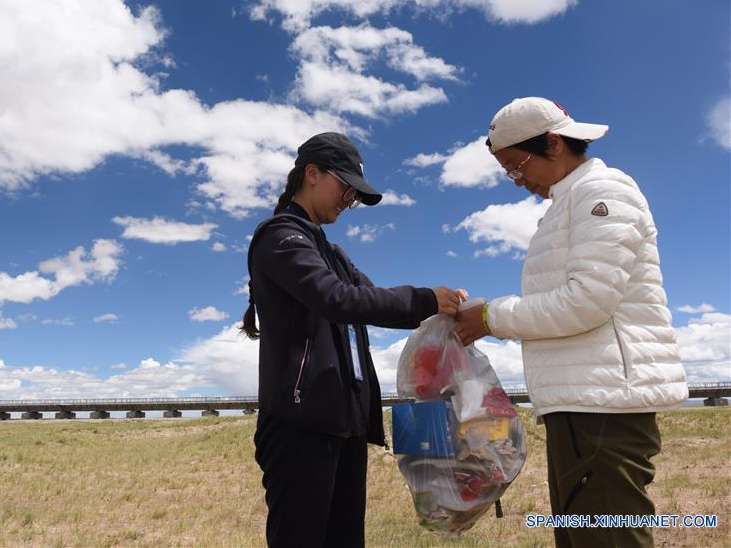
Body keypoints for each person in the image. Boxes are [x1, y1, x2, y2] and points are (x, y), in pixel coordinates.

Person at [454, 97, 688, 548]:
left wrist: (489, 317)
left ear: (555, 143)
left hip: (603, 405)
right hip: (584, 401)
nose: (517, 180)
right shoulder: (568, 202)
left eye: (516, 165)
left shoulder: (603, 192)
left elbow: (588, 301)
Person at [242, 132, 466, 547]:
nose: (349, 200)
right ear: (312, 174)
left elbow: (370, 301)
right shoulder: (280, 237)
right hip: (298, 424)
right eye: (345, 187)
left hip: (343, 423)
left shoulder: (333, 252)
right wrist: (424, 299)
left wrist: (442, 311)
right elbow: (337, 299)